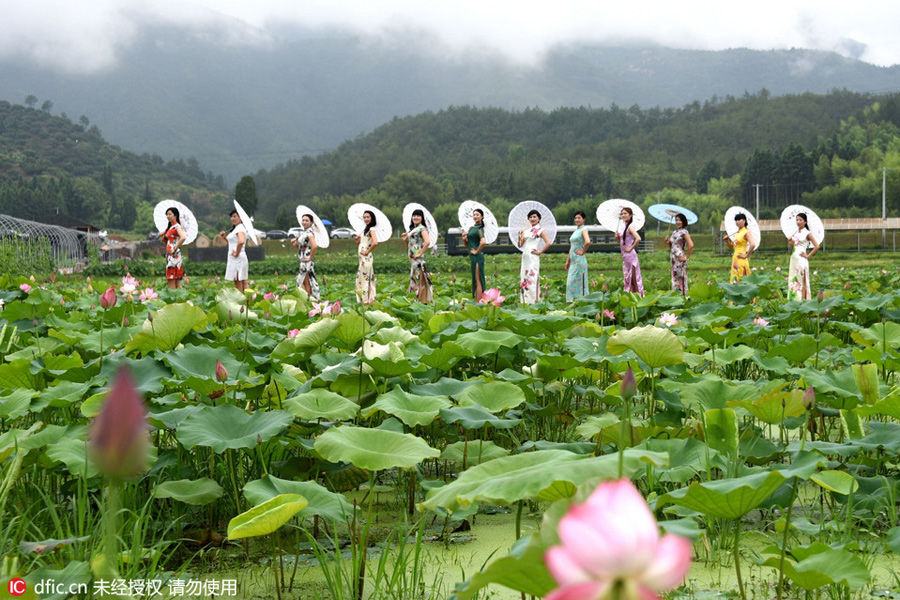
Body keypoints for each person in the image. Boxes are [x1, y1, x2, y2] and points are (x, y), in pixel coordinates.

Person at [516, 209, 551, 304]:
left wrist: (540, 252)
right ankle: (525, 301)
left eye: (534, 217)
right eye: (530, 217)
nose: (532, 219)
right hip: (525, 256)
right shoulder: (526, 231)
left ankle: (534, 301)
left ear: (539, 218)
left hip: (533, 257)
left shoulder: (541, 230)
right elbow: (520, 245)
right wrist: (520, 236)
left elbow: (548, 243)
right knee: (524, 278)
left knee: (532, 278)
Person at [401, 209, 433, 303]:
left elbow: (427, 242)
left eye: (418, 216)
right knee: (416, 279)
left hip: (418, 259)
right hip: (413, 259)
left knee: (421, 280)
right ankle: (420, 301)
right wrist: (405, 240)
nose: (416, 217)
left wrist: (420, 253)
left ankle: (423, 302)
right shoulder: (412, 230)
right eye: (414, 215)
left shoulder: (422, 228)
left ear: (422, 218)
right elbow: (409, 247)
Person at [787, 212, 820, 300]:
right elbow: (793, 248)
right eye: (797, 220)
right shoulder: (795, 233)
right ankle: (793, 300)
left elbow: (817, 246)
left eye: (800, 220)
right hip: (793, 258)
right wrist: (790, 243)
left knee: (800, 280)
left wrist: (808, 255)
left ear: (805, 222)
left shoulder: (807, 233)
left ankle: (802, 300)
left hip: (801, 259)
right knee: (792, 280)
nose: (798, 222)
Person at [615, 207, 644, 296]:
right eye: (622, 213)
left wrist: (630, 248)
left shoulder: (630, 227)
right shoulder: (623, 226)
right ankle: (631, 296)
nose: (623, 215)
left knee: (634, 278)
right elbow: (622, 242)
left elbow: (638, 238)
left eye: (625, 213)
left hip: (631, 256)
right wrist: (617, 238)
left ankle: (639, 296)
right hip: (625, 257)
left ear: (630, 215)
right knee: (628, 278)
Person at [291, 213, 320, 301]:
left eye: (307, 220)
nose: (304, 222)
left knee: (305, 282)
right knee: (305, 281)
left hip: (306, 261)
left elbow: (314, 246)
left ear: (311, 222)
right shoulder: (305, 232)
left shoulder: (310, 233)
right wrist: (295, 244)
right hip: (303, 260)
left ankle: (308, 300)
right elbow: (302, 248)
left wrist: (310, 258)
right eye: (303, 220)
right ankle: (309, 299)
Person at [665, 213, 694, 297]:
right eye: (676, 220)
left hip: (680, 258)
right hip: (674, 259)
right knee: (675, 278)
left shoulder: (684, 232)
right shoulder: (674, 232)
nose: (678, 222)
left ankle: (683, 297)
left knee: (681, 278)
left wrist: (686, 257)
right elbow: (672, 247)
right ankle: (676, 297)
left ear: (683, 221)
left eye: (679, 220)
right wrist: (668, 242)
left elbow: (691, 245)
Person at [219, 210, 248, 291]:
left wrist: (236, 253)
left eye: (235, 216)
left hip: (238, 259)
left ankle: (241, 303)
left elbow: (241, 241)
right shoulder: (236, 228)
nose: (232, 218)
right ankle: (248, 302)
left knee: (238, 282)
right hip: (237, 258)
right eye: (231, 217)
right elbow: (233, 243)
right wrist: (225, 238)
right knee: (243, 281)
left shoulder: (240, 229)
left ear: (241, 218)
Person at [461, 208, 487, 299]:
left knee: (478, 279)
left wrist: (476, 251)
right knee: (475, 279)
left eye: (477, 215)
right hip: (472, 256)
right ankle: (478, 299)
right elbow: (467, 245)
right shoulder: (472, 228)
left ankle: (479, 300)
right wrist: (464, 239)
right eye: (474, 215)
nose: (475, 216)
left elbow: (483, 242)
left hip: (477, 257)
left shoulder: (480, 229)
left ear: (482, 217)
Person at [565, 211, 590, 302]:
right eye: (575, 218)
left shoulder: (584, 229)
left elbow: (588, 241)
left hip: (579, 261)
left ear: (584, 219)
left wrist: (583, 251)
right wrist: (568, 261)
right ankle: (573, 301)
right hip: (573, 261)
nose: (577, 219)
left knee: (575, 282)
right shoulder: (576, 230)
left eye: (579, 218)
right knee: (570, 282)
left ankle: (580, 301)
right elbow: (572, 247)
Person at [158, 207, 186, 289]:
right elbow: (167, 243)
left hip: (174, 255)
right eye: (167, 214)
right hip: (170, 254)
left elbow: (183, 237)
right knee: (175, 281)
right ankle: (182, 298)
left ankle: (175, 298)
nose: (168, 216)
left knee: (172, 279)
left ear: (175, 215)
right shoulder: (170, 227)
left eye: (170, 214)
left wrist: (174, 248)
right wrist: (162, 237)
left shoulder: (177, 226)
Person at [723, 213, 756, 283]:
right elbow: (732, 247)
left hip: (741, 258)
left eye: (739, 219)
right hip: (735, 258)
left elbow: (753, 244)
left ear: (744, 221)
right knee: (734, 278)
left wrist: (746, 255)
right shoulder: (737, 233)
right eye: (736, 220)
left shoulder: (746, 232)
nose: (737, 222)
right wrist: (727, 241)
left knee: (741, 278)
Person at [354, 210, 378, 305]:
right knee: (361, 278)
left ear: (372, 218)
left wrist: (367, 251)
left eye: (368, 217)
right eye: (364, 217)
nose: (366, 219)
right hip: (362, 258)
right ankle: (366, 300)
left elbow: (375, 243)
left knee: (365, 279)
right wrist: (357, 241)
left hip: (366, 258)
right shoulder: (365, 230)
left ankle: (366, 301)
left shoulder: (372, 229)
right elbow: (361, 246)